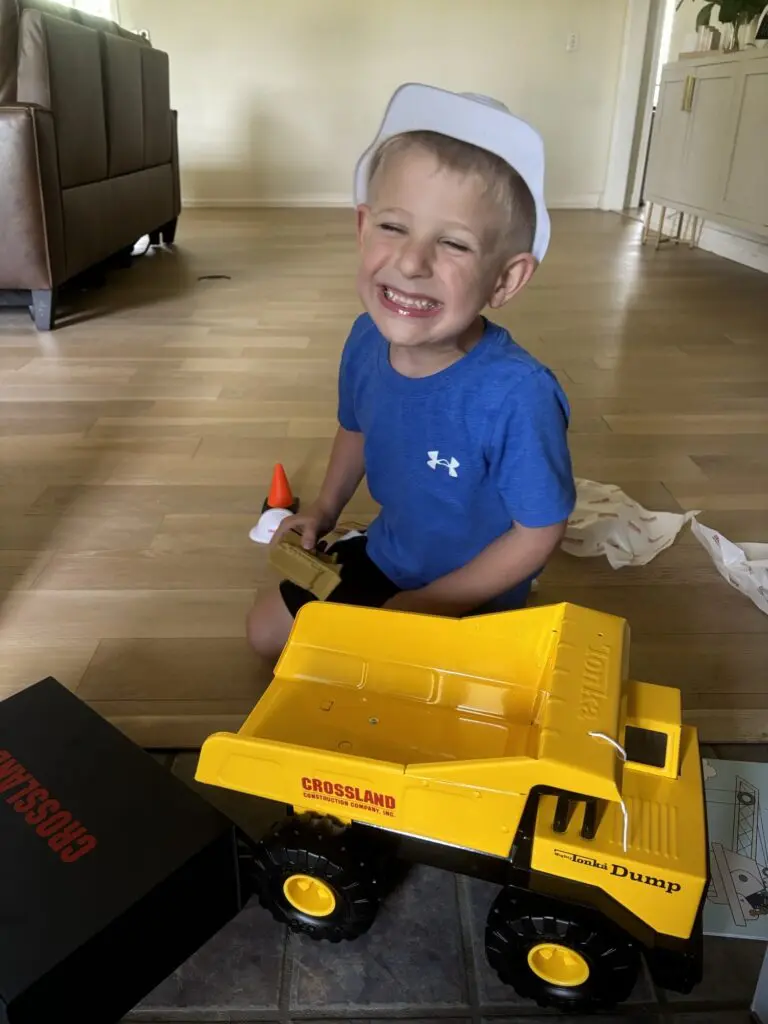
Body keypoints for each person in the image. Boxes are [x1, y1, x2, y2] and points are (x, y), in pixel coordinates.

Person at [247, 83, 576, 661]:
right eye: (394, 228)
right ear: (362, 226)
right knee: (266, 635)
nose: (411, 261)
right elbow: (355, 429)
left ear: (505, 279)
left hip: (477, 594)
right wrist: (322, 510)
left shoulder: (517, 396)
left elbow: (539, 531)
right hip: (390, 554)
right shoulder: (364, 340)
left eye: (453, 243)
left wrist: (436, 603)